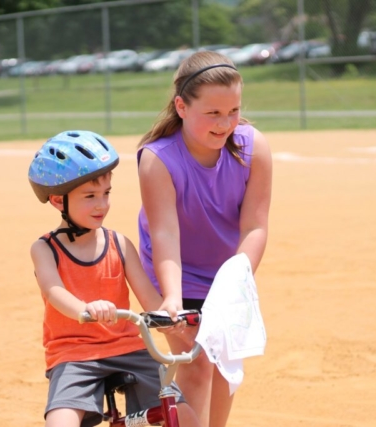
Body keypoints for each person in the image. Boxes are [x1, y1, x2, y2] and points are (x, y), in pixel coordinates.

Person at [28, 130, 201, 427]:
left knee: (182, 413)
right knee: (60, 421)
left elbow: (149, 299)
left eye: (106, 193)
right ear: (58, 200)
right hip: (74, 354)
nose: (102, 205)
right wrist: (86, 308)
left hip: (129, 348)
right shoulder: (45, 249)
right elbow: (54, 291)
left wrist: (173, 321)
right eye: (90, 196)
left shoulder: (119, 243)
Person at [136, 51, 273, 426]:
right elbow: (165, 234)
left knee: (224, 371)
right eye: (212, 113)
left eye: (233, 111)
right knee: (196, 365)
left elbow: (255, 227)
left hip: (225, 274)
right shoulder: (157, 158)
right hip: (171, 274)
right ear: (181, 106)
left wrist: (237, 280)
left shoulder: (252, 146)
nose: (226, 123)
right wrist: (172, 299)